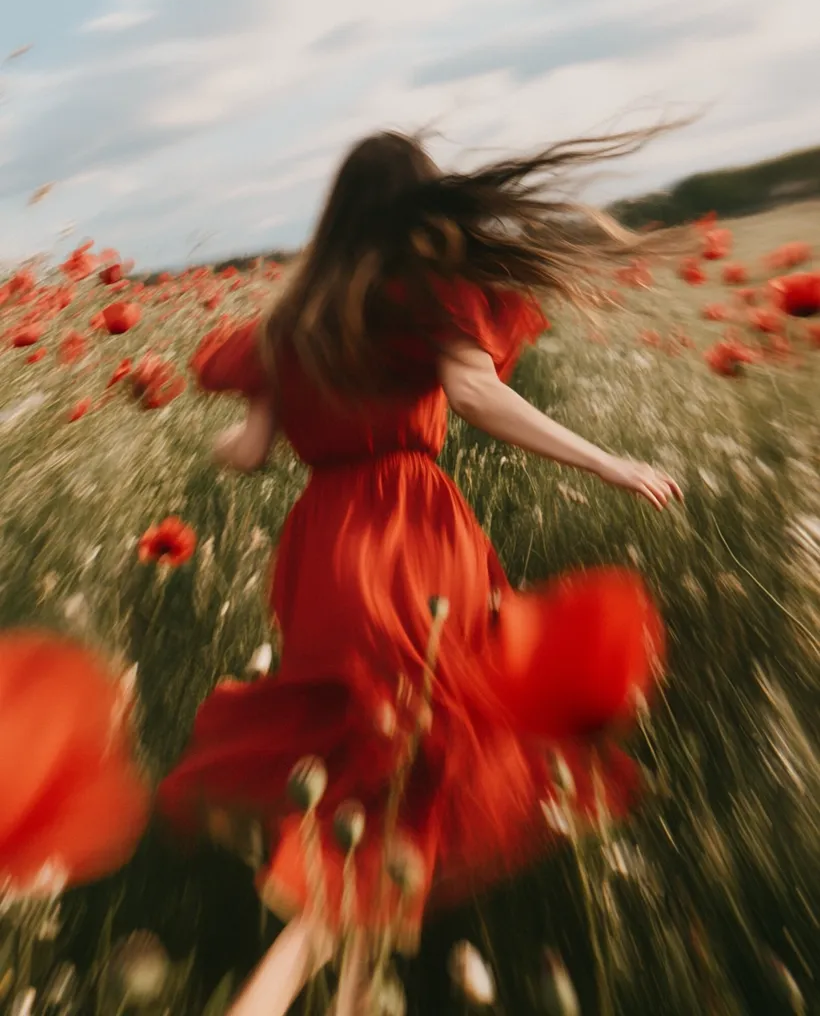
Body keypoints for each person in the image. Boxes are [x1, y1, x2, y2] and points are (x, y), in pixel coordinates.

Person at [157, 127, 683, 1015]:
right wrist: (611, 463)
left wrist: (231, 434)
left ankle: (354, 996)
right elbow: (475, 396)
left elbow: (246, 454)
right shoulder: (428, 295)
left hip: (323, 551)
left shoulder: (288, 325)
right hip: (413, 539)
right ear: (421, 207)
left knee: (374, 782)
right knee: (415, 770)